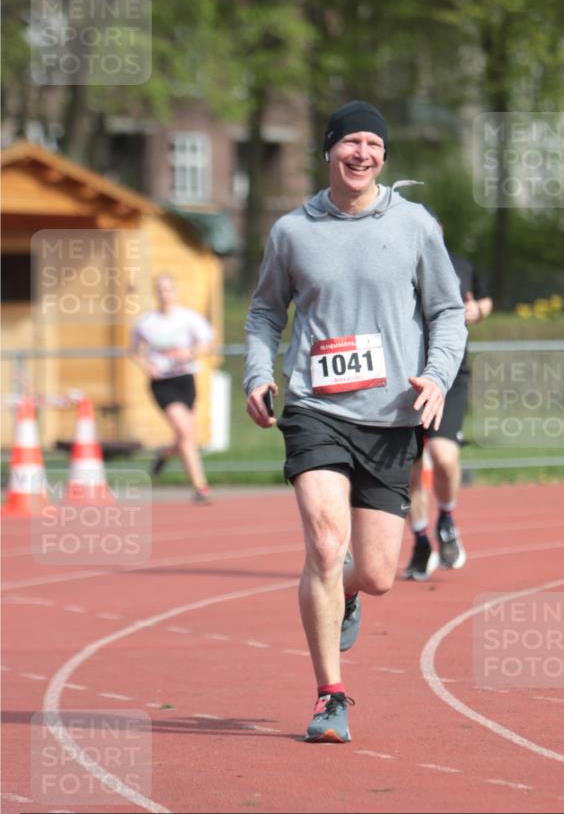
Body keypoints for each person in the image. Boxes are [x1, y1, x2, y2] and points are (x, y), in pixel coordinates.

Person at [244, 100, 466, 743]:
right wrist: (259, 374)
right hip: (315, 406)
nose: (361, 153)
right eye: (350, 142)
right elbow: (264, 313)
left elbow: (448, 312)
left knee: (375, 575)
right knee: (321, 542)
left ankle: (345, 593)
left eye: (373, 143)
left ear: (384, 157)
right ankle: (330, 696)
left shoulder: (416, 225)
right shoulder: (292, 231)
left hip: (391, 416)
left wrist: (438, 376)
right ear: (328, 152)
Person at [404, 223, 493, 580]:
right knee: (408, 468)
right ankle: (421, 539)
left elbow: (484, 300)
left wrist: (478, 312)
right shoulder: (399, 266)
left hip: (449, 376)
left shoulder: (461, 266)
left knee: (443, 454)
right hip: (405, 378)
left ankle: (448, 518)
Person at [130, 272, 214, 504]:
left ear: (175, 292)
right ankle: (201, 488)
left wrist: (191, 353)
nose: (164, 294)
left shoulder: (189, 319)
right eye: (160, 290)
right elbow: (134, 351)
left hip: (185, 379)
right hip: (162, 384)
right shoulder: (146, 322)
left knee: (186, 435)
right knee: (186, 433)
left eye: (168, 289)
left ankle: (165, 453)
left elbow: (206, 343)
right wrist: (147, 366)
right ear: (155, 293)